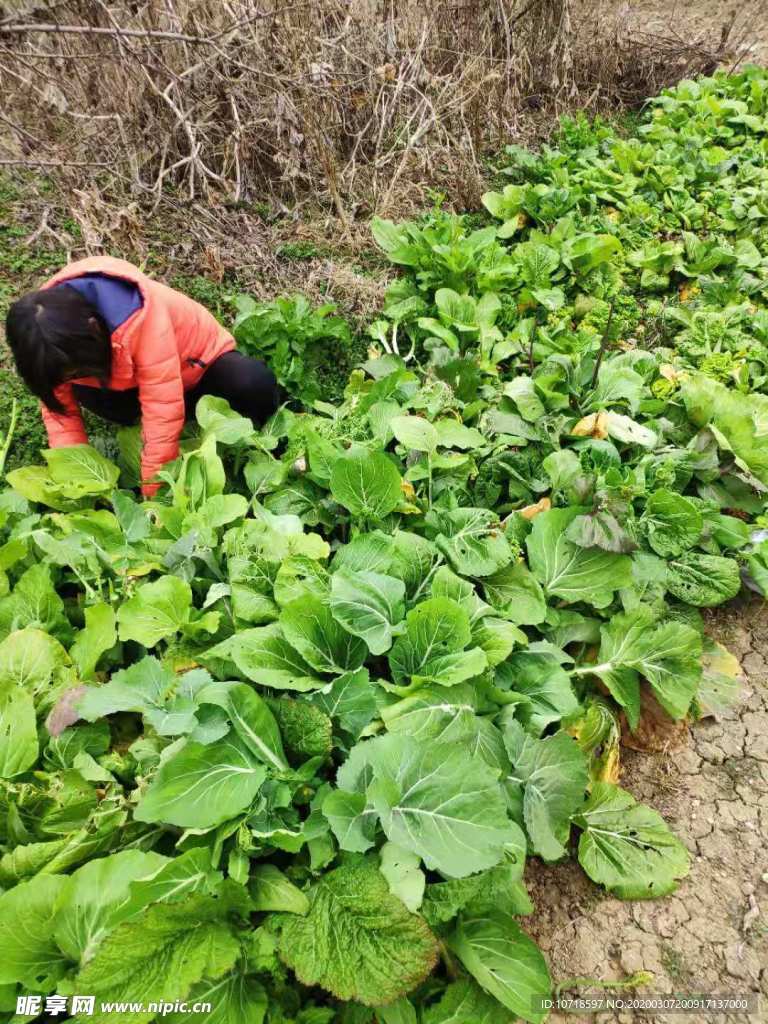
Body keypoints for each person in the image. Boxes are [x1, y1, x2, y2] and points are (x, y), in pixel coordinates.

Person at [5, 256, 279, 496]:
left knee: (249, 381)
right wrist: (76, 480)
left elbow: (162, 407)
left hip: (196, 371)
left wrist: (155, 492)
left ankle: (267, 439)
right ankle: (154, 424)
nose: (71, 377)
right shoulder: (44, 336)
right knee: (90, 393)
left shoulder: (140, 318)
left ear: (92, 329)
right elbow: (60, 412)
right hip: (128, 377)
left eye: (76, 371)